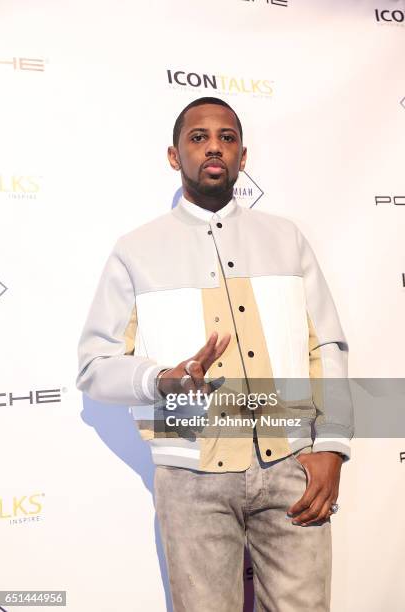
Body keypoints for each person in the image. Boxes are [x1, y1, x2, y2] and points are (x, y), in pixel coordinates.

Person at [76, 96, 354, 611]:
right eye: (198, 137)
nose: (213, 148)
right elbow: (95, 367)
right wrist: (161, 378)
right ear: (173, 154)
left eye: (226, 138)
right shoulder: (136, 250)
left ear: (242, 157)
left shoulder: (286, 238)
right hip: (190, 483)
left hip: (293, 468)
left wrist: (332, 446)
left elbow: (326, 347)